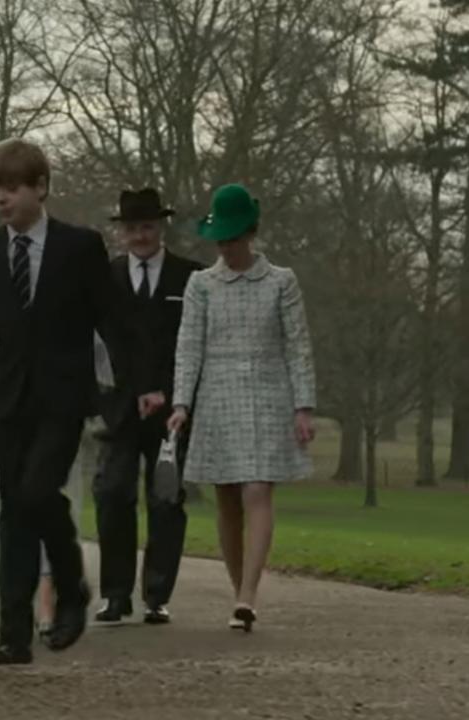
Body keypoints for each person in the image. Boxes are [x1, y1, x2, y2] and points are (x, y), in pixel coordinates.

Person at [0, 138, 117, 665]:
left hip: (63, 395)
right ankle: (13, 631)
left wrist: (141, 383)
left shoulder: (80, 246)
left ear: (40, 187)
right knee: (14, 512)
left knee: (37, 493)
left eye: (11, 188)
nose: (0, 199)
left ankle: (71, 588)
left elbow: (112, 320)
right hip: (8, 398)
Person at [167, 183, 316, 632]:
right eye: (222, 239)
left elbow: (299, 347)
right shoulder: (201, 286)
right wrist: (181, 403)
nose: (227, 247)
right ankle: (240, 594)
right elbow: (188, 346)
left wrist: (303, 406)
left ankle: (248, 595)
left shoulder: (281, 282)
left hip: (269, 395)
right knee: (227, 498)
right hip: (217, 397)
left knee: (257, 491)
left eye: (234, 238)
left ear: (250, 233)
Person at [0, 319, 112, 640]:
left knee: (47, 497)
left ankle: (51, 601)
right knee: (8, 509)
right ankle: (12, 613)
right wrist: (0, 382)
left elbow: (99, 359)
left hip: (56, 415)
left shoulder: (67, 296)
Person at [93, 188, 203, 626]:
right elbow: (102, 347)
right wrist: (127, 393)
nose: (140, 235)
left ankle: (157, 595)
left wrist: (166, 391)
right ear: (121, 232)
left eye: (148, 227)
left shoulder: (189, 278)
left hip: (170, 411)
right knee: (113, 494)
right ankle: (115, 595)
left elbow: (191, 344)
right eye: (132, 227)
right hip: (119, 409)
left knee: (165, 500)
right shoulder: (105, 279)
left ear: (161, 228)